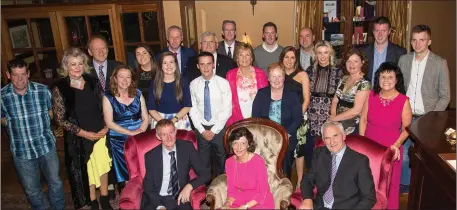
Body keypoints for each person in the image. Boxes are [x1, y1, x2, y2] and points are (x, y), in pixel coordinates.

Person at [53, 47, 112, 209]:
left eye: (80, 63)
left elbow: (104, 106)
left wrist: (106, 127)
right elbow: (60, 120)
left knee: (103, 166)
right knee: (89, 169)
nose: (77, 67)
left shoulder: (92, 81)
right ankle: (92, 201)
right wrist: (85, 134)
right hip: (79, 137)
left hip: (100, 131)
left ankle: (105, 198)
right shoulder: (60, 88)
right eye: (73, 64)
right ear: (66, 66)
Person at [1, 59, 65, 210]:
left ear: (28, 74)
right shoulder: (2, 96)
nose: (20, 79)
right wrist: (13, 124)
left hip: (46, 146)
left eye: (23, 74)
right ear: (8, 75)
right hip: (21, 150)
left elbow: (52, 112)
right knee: (31, 189)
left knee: (55, 182)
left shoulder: (42, 91)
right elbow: (2, 118)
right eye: (15, 75)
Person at [398, 24, 451, 193]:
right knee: (405, 154)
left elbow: (445, 96)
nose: (417, 44)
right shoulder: (404, 60)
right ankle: (406, 187)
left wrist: (432, 117)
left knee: (425, 158)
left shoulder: (440, 63)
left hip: (428, 118)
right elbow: (399, 88)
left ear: (429, 41)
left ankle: (422, 189)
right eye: (414, 40)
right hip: (406, 116)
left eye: (422, 40)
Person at [360, 62, 412, 209]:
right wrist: (363, 143)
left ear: (397, 79)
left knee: (389, 185)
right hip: (370, 147)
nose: (386, 80)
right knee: (368, 181)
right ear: (378, 78)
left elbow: (407, 129)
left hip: (391, 148)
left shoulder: (403, 100)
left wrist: (396, 145)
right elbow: (363, 119)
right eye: (383, 76)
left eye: (390, 76)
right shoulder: (371, 96)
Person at [299, 121, 376, 209]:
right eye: (327, 138)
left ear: (344, 136)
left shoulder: (359, 161)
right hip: (320, 206)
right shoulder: (319, 153)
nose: (332, 142)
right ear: (323, 140)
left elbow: (369, 198)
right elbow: (308, 179)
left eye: (335, 136)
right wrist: (307, 199)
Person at [141, 119, 211, 210]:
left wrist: (189, 186)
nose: (169, 138)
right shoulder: (151, 156)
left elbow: (206, 174)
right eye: (164, 134)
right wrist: (160, 207)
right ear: (158, 136)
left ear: (176, 132)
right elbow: (148, 187)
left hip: (180, 197)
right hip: (158, 199)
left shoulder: (187, 148)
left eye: (171, 133)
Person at [103, 65, 150, 189]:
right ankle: (127, 192)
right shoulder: (108, 96)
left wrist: (141, 131)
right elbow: (109, 123)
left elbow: (145, 117)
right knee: (125, 173)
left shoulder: (138, 94)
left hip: (139, 134)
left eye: (128, 77)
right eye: (121, 77)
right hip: (119, 138)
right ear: (115, 79)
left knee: (143, 169)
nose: (125, 80)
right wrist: (130, 133)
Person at [252, 63, 302, 179]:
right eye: (273, 76)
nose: (277, 80)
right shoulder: (261, 94)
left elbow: (297, 118)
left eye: (280, 76)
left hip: (286, 138)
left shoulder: (292, 95)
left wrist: (284, 135)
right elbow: (256, 118)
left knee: (284, 171)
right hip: (265, 140)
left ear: (284, 77)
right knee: (265, 172)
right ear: (268, 78)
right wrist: (265, 137)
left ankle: (284, 193)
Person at [189, 52, 232, 177]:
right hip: (201, 128)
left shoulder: (223, 83)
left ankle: (221, 186)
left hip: (219, 128)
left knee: (222, 160)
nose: (206, 67)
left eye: (209, 64)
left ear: (213, 65)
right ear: (198, 66)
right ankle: (205, 188)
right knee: (203, 162)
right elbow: (192, 109)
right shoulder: (193, 84)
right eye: (202, 64)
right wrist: (202, 130)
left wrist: (214, 130)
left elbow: (227, 109)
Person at [304, 40, 344, 169]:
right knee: (311, 148)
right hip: (311, 114)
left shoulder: (338, 72)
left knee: (328, 146)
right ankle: (311, 176)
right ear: (315, 54)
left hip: (329, 113)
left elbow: (340, 96)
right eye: (319, 53)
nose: (322, 56)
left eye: (325, 53)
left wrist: (334, 115)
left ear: (330, 54)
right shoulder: (309, 71)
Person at [279, 46, 311, 187]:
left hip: (299, 118)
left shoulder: (302, 75)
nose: (289, 60)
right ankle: (281, 179)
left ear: (296, 60)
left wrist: (298, 117)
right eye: (287, 57)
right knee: (282, 149)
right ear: (282, 58)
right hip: (282, 119)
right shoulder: (278, 74)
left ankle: (299, 181)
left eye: (292, 57)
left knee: (299, 150)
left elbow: (306, 99)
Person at [222, 127, 275, 209]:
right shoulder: (229, 162)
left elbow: (263, 191)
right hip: (240, 199)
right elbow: (231, 191)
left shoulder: (258, 161)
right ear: (231, 145)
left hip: (259, 201)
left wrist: (246, 206)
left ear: (248, 144)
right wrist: (227, 204)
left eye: (243, 143)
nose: (239, 147)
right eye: (235, 143)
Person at [226, 43, 269, 127]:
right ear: (237, 58)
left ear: (252, 58)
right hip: (236, 119)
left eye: (247, 55)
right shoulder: (230, 74)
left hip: (257, 119)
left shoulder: (261, 73)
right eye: (241, 55)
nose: (244, 58)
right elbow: (228, 99)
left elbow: (265, 99)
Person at [330, 48, 371, 135]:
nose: (351, 64)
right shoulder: (344, 78)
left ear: (362, 63)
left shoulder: (364, 83)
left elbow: (356, 110)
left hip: (353, 126)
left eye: (355, 61)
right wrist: (333, 118)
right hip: (337, 123)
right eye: (348, 61)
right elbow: (335, 101)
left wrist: (335, 119)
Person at [148, 51, 193, 130]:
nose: (169, 65)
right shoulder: (154, 83)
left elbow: (187, 106)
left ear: (176, 64)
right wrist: (164, 123)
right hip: (159, 120)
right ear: (160, 66)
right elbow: (151, 109)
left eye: (171, 62)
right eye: (165, 63)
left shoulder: (184, 81)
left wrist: (173, 120)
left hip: (179, 119)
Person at [360, 16, 407, 83]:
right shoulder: (364, 52)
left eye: (383, 31)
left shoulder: (400, 52)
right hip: (368, 92)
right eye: (377, 31)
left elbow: (402, 79)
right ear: (373, 32)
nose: (380, 35)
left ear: (389, 31)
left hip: (389, 92)